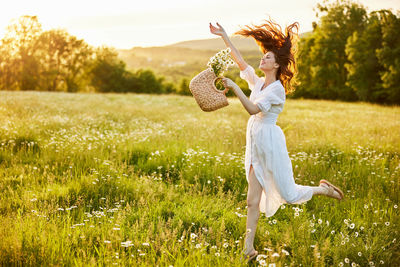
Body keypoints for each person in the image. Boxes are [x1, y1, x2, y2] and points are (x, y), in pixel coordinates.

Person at [209, 20, 344, 262]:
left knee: (289, 194)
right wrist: (224, 37)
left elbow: (252, 109)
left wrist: (235, 88)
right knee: (252, 201)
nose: (262, 60)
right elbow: (240, 61)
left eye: (267, 58)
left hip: (270, 145)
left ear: (277, 64)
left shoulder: (276, 90)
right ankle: (248, 250)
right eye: (263, 56)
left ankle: (323, 190)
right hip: (255, 145)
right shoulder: (259, 83)